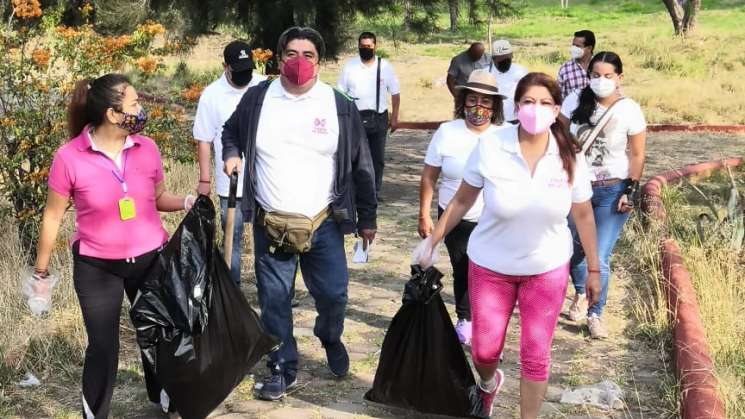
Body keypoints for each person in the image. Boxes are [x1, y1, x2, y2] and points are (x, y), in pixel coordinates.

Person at [412, 73, 601, 419]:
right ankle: (487, 383)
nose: (535, 109)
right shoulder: (492, 146)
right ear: (516, 107)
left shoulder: (569, 154)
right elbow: (460, 201)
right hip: (491, 266)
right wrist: (433, 240)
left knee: (536, 353)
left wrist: (593, 267)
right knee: (484, 351)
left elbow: (585, 214)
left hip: (546, 268)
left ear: (557, 108)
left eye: (545, 103)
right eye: (528, 101)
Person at [221, 26, 377, 401]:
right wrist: (231, 154)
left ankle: (329, 336)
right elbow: (230, 131)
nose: (299, 62)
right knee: (274, 301)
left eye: (308, 55)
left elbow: (362, 165)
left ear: (320, 63)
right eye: (291, 54)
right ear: (278, 59)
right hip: (271, 222)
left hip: (323, 222)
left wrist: (367, 218)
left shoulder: (339, 105)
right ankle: (282, 366)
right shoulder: (258, 99)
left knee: (335, 296)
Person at [31, 74, 195, 418]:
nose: (141, 109)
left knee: (159, 334)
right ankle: (96, 413)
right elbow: (52, 217)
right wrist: (41, 270)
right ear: (112, 113)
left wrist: (186, 202)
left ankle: (165, 395)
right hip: (97, 266)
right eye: (134, 104)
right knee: (104, 348)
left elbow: (158, 197)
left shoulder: (147, 148)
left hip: (150, 258)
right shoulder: (70, 157)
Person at [418, 69, 506, 346]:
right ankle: (466, 318)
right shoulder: (447, 132)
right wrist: (424, 213)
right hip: (454, 215)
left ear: (495, 106)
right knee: (464, 267)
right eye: (472, 100)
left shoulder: (505, 136)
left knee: (490, 271)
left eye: (486, 101)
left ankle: (490, 321)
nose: (478, 107)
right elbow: (429, 175)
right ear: (462, 101)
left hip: (492, 217)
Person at [566, 52, 646, 339]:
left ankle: (595, 313)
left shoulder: (629, 110)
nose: (601, 81)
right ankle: (580, 292)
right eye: (595, 75)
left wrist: (630, 189)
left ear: (619, 77)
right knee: (573, 248)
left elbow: (637, 153)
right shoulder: (575, 100)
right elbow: (558, 137)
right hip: (576, 189)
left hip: (612, 190)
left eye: (608, 76)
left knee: (599, 255)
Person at [193, 40, 267, 285]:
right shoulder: (212, 95)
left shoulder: (263, 86)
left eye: (248, 70)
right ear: (226, 67)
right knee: (232, 238)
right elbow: (203, 140)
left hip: (264, 181)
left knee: (267, 238)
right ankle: (232, 292)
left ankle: (274, 289)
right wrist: (205, 179)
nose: (246, 76)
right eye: (239, 71)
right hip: (230, 184)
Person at [337, 31, 401, 197]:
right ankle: (355, 190)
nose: (366, 49)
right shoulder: (350, 66)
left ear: (375, 47)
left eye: (369, 46)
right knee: (353, 156)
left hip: (379, 117)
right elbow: (340, 92)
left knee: (377, 157)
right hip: (355, 117)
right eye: (363, 46)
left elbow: (395, 92)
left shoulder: (385, 66)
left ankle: (374, 190)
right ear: (358, 46)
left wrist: (394, 118)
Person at [487, 39, 528, 122]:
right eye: (501, 61)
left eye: (507, 60)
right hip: (492, 119)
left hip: (516, 119)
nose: (505, 63)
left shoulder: (521, 71)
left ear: (512, 56)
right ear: (493, 59)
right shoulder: (485, 73)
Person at [557, 30, 595, 100]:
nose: (574, 48)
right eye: (573, 45)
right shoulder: (565, 69)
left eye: (578, 46)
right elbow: (559, 97)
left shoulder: (600, 65)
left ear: (589, 48)